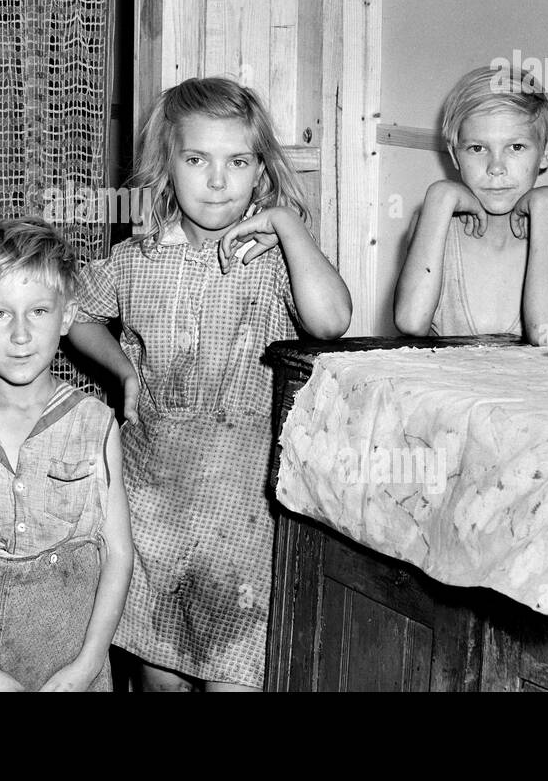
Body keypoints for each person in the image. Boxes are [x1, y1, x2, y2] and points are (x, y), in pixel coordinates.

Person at [67, 77, 352, 691]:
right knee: (158, 678)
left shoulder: (275, 259)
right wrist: (125, 370)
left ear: (259, 170)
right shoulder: (138, 256)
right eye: (197, 160)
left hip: (244, 509)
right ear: (167, 164)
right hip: (151, 501)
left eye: (238, 162)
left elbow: (331, 322)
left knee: (236, 677)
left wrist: (288, 227)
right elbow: (74, 313)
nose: (217, 181)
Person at [0, 218, 132, 691]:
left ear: (68, 316)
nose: (20, 334)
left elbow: (118, 555)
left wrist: (89, 663)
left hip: (73, 669)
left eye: (38, 311)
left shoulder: (96, 424)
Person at [393, 65, 548, 344]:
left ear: (546, 151)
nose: (495, 167)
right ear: (454, 155)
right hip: (444, 387)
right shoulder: (436, 223)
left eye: (516, 147)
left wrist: (546, 208)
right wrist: (439, 198)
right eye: (477, 148)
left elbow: (546, 334)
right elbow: (410, 321)